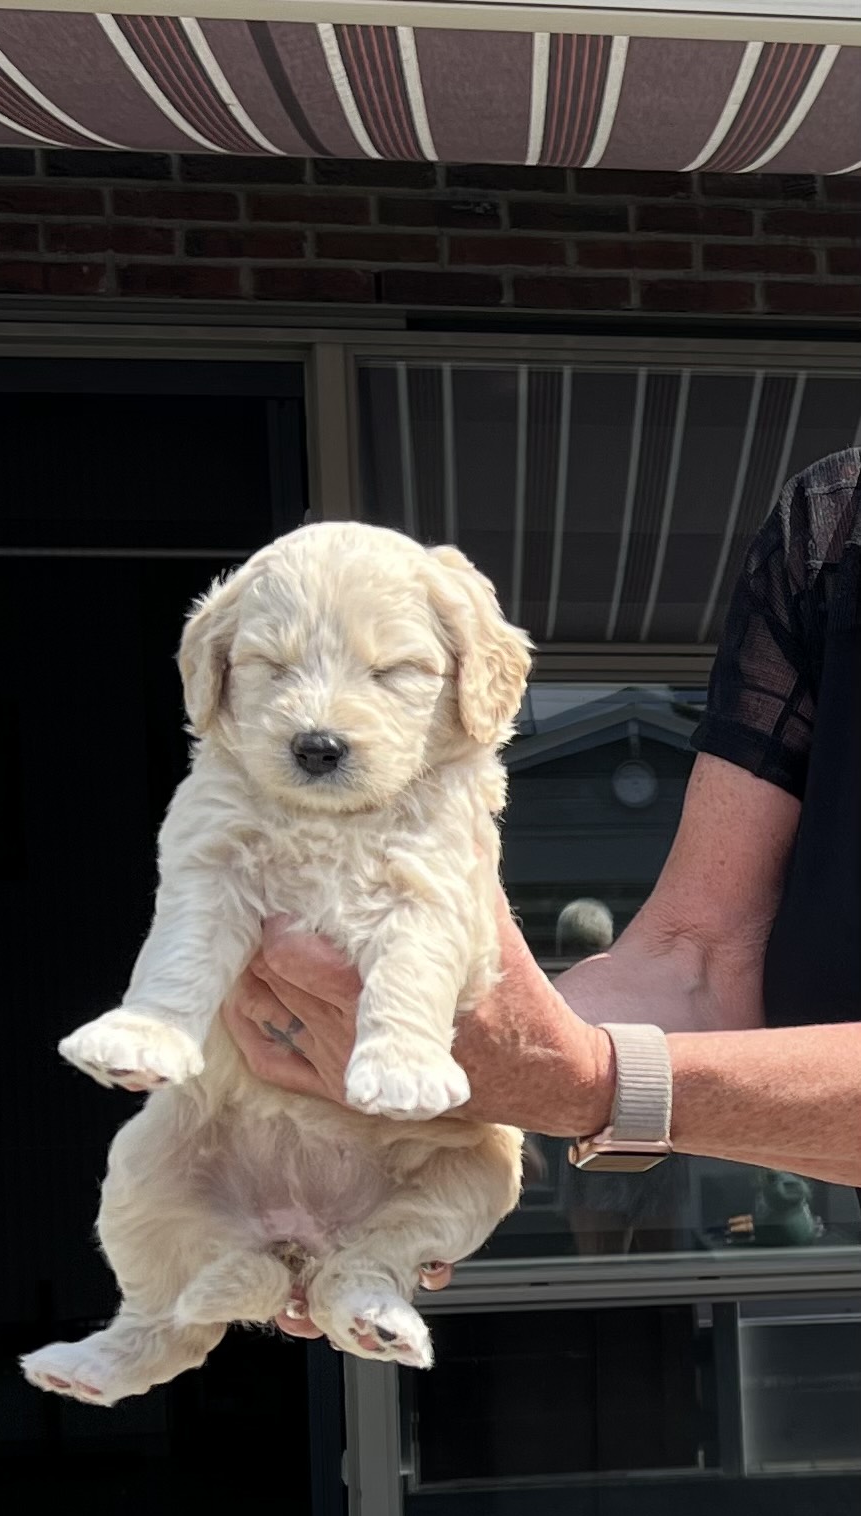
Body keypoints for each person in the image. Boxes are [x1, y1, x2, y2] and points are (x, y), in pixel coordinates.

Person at [223, 449, 861, 1335]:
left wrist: (588, 1083)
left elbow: (576, 1069)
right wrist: (403, 1122)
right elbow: (697, 960)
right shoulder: (833, 529)